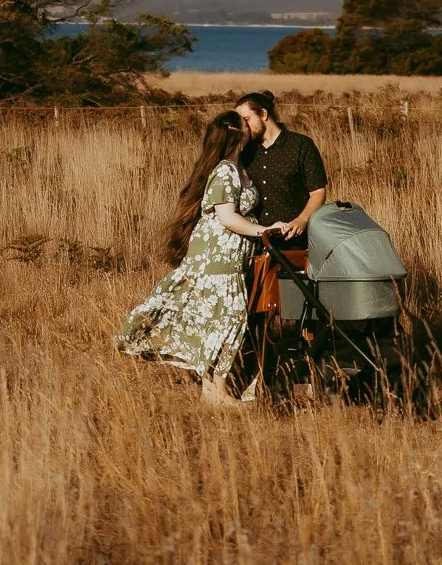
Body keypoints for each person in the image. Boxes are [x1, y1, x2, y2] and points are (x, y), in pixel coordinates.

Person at [114, 111, 268, 405]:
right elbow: (228, 217)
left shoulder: (238, 168)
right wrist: (264, 231)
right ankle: (216, 391)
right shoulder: (224, 171)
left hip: (230, 258)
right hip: (216, 257)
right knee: (229, 318)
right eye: (245, 123)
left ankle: (212, 390)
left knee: (225, 319)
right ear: (236, 133)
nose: (250, 126)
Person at [234, 90, 328, 249]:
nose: (244, 127)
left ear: (263, 114)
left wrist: (302, 220)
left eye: (247, 120)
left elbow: (318, 191)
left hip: (296, 243)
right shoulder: (244, 151)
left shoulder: (301, 145)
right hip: (255, 244)